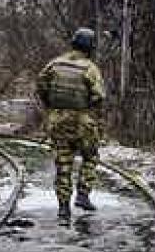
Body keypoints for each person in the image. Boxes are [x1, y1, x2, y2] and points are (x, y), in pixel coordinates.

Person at [36, 27, 106, 221]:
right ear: (90, 47)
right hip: (83, 122)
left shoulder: (54, 64)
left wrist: (51, 107)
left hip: (57, 121)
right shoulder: (90, 68)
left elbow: (41, 85)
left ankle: (63, 206)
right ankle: (83, 195)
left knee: (63, 162)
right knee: (90, 156)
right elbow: (99, 96)